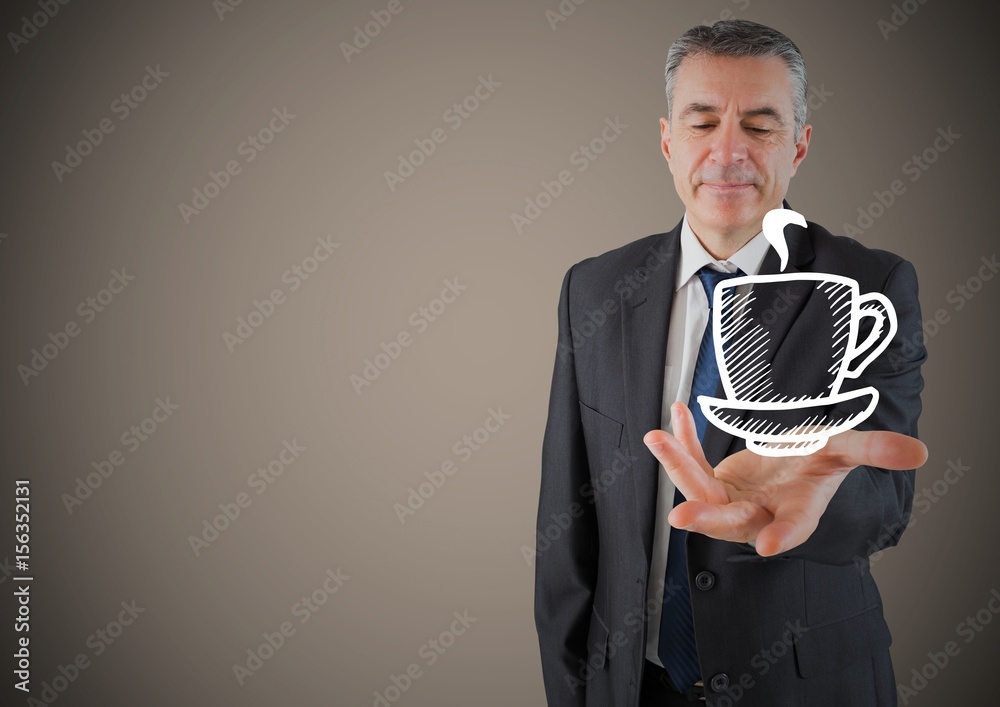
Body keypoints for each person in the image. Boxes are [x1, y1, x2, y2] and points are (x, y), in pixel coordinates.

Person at [534, 19, 928, 707]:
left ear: (800, 144)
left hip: (806, 689)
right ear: (666, 141)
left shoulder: (871, 285)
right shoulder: (593, 290)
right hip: (633, 686)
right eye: (703, 122)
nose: (727, 151)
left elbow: (886, 507)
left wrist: (823, 498)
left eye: (759, 125)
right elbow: (568, 523)